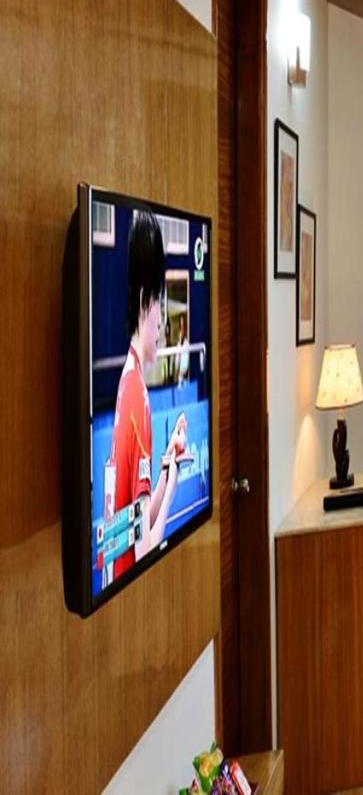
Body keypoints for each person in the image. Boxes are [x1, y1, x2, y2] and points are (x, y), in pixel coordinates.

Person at [103, 210, 187, 585]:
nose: (163, 323)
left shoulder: (128, 381)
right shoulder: (137, 397)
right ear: (143, 302)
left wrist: (168, 467)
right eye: (160, 305)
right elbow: (146, 550)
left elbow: (134, 525)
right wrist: (173, 487)